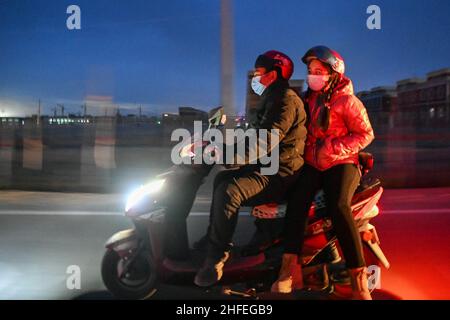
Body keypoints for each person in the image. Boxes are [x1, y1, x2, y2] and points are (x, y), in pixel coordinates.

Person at [194, 50, 307, 287]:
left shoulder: (285, 100)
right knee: (221, 179)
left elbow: (265, 140)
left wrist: (228, 156)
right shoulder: (271, 98)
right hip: (267, 166)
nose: (255, 78)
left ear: (274, 74)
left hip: (279, 172)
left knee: (230, 190)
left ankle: (217, 256)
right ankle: (214, 238)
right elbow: (252, 136)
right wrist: (220, 146)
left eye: (259, 73)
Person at [271, 46, 375, 299]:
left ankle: (358, 279)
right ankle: (289, 269)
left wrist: (332, 147)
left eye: (319, 71)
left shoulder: (348, 101)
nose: (313, 75)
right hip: (312, 163)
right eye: (310, 71)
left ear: (334, 74)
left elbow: (366, 134)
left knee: (339, 205)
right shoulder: (309, 100)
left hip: (342, 162)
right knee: (296, 202)